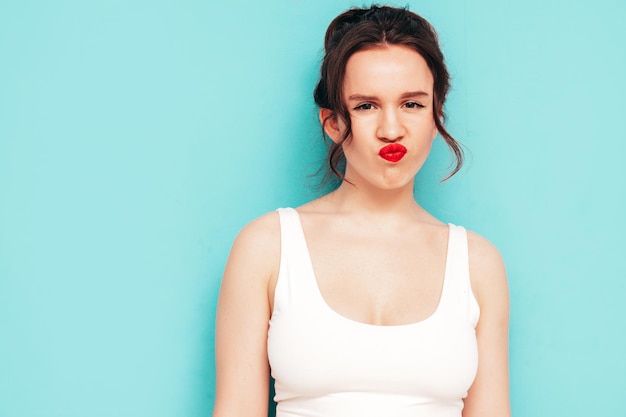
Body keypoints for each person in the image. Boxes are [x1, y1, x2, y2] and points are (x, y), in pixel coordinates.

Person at [213, 5, 510, 417]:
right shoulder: (267, 247)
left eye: (412, 104)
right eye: (367, 106)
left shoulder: (478, 263)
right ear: (333, 122)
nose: (391, 129)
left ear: (436, 113)